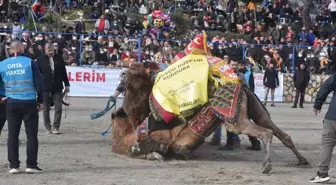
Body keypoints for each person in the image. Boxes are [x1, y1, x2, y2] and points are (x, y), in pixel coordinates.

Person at [0, 41, 44, 174]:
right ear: (20, 48)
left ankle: (14, 165)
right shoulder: (30, 62)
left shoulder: (2, 64)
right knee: (31, 135)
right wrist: (40, 100)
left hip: (11, 102)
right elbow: (39, 83)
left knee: (12, 135)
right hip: (29, 102)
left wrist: (1, 97)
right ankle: (31, 165)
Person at [37, 43, 70, 134]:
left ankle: (56, 127)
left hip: (58, 87)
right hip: (45, 88)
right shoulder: (40, 60)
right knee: (46, 109)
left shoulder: (59, 59)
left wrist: (67, 85)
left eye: (52, 50)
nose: (51, 52)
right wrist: (37, 88)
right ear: (45, 50)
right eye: (49, 50)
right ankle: (48, 128)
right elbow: (37, 75)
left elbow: (64, 73)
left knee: (58, 108)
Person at [309, 73, 336, 183]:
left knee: (327, 145)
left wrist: (317, 105)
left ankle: (322, 173)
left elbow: (325, 88)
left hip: (333, 117)